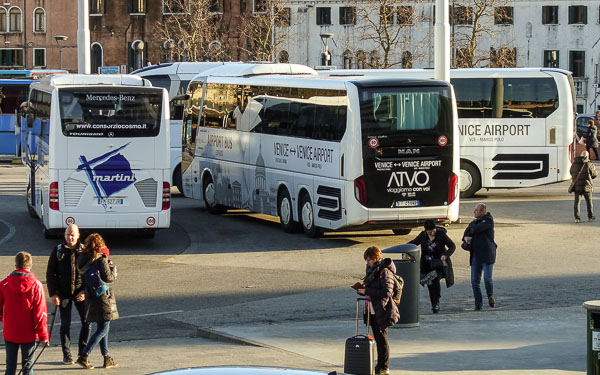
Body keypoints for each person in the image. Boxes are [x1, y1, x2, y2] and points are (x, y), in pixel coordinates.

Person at [46, 224, 91, 364]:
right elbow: (50, 274)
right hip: (63, 294)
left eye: (72, 235)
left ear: (78, 235)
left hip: (80, 293)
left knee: (87, 323)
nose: (70, 237)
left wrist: (84, 291)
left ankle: (82, 353)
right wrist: (54, 294)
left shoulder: (85, 251)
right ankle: (67, 354)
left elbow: (90, 275)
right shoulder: (58, 250)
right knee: (65, 324)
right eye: (67, 234)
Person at [0, 252, 49, 375]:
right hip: (29, 332)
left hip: (10, 330)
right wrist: (43, 335)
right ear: (30, 265)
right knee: (28, 366)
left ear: (15, 264)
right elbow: (40, 313)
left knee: (10, 366)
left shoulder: (4, 284)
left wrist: (4, 319)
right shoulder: (36, 285)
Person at [76, 233, 118, 370]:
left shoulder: (83, 259)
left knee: (102, 327)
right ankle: (84, 355)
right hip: (103, 297)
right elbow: (109, 278)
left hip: (91, 296)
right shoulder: (101, 259)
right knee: (104, 328)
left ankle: (106, 357)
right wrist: (113, 269)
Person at [357, 246, 399, 375]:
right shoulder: (372, 271)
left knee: (382, 338)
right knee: (378, 338)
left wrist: (367, 291)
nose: (367, 262)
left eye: (369, 260)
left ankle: (384, 367)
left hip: (382, 308)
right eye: (366, 260)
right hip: (372, 308)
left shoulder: (384, 272)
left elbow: (387, 292)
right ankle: (380, 365)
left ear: (376, 258)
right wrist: (363, 290)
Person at [408, 219, 456, 314]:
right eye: (430, 231)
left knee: (435, 279)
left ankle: (436, 302)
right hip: (427, 264)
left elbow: (452, 246)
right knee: (429, 283)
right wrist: (404, 248)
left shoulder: (441, 235)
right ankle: (433, 303)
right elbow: (413, 243)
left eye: (433, 230)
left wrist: (445, 255)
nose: (432, 233)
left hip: (438, 264)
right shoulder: (423, 236)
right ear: (426, 230)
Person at [462, 203, 497, 311]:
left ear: (483, 211)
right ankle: (478, 304)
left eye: (476, 210)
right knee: (474, 281)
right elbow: (466, 234)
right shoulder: (474, 222)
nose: (474, 212)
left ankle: (490, 295)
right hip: (476, 255)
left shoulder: (488, 220)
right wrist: (466, 238)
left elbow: (477, 228)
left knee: (487, 279)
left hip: (487, 254)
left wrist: (472, 227)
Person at [570, 150, 598, 223]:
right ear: (587, 156)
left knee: (577, 202)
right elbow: (595, 174)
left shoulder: (574, 163)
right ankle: (590, 216)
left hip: (577, 186)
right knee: (589, 202)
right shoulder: (589, 164)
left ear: (581, 155)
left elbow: (571, 172)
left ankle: (577, 218)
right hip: (587, 185)